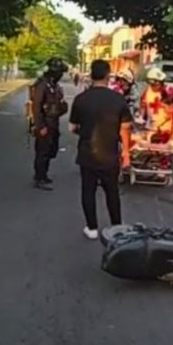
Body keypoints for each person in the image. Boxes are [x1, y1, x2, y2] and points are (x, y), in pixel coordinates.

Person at [69, 59, 132, 240]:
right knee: (112, 191)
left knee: (87, 190)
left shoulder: (81, 99)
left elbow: (72, 127)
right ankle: (117, 227)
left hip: (87, 153)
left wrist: (85, 132)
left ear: (91, 74)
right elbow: (125, 128)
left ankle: (92, 228)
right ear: (107, 75)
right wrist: (126, 154)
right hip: (110, 154)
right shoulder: (118, 99)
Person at [30, 57, 69, 190]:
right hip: (45, 123)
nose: (61, 75)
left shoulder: (54, 85)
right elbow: (36, 107)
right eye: (59, 72)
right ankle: (39, 178)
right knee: (42, 152)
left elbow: (58, 104)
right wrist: (40, 126)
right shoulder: (42, 85)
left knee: (51, 150)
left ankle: (43, 174)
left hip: (53, 121)